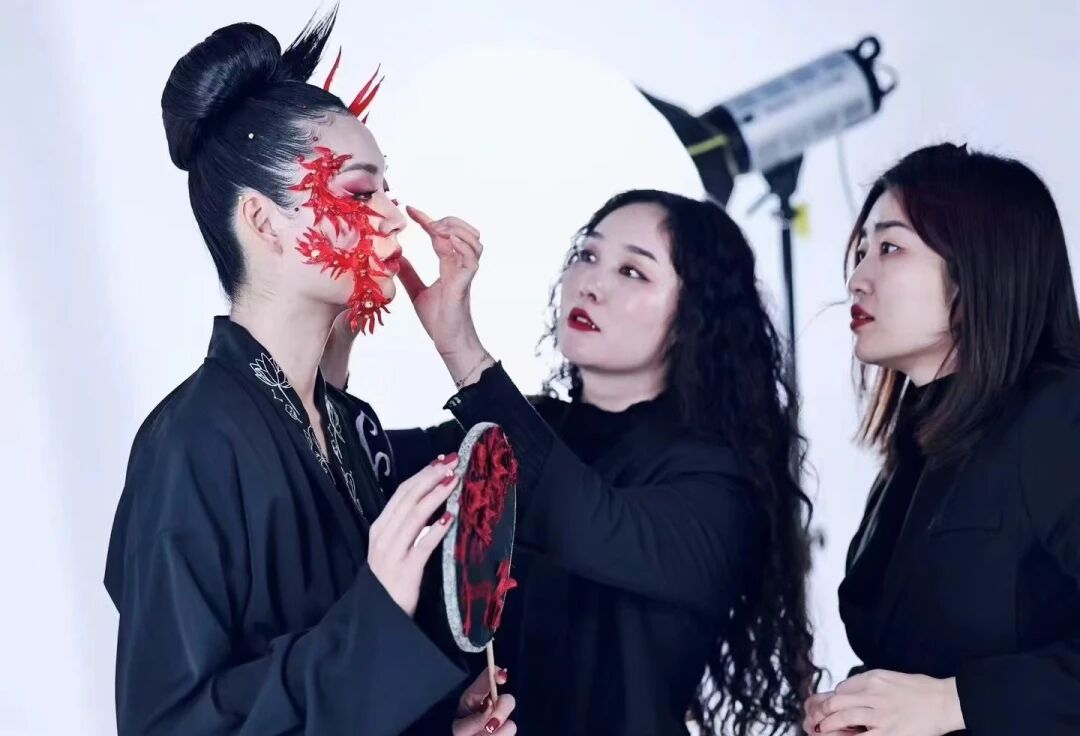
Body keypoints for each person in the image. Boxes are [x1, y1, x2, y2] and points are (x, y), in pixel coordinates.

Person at [104, 12, 515, 735]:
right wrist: (378, 614)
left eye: (388, 189)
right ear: (264, 223)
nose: (393, 217)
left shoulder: (349, 428)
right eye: (359, 194)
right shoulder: (193, 442)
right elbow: (169, 723)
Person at [325, 189, 821, 734]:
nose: (591, 283)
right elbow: (358, 470)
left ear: (694, 317)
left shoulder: (721, 483)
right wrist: (334, 334)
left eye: (632, 271)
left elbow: (589, 522)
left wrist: (459, 345)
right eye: (587, 254)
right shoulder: (531, 425)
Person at [803, 143, 1080, 735]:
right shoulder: (919, 441)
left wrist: (953, 703)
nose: (856, 279)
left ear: (979, 267)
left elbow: (952, 689)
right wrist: (860, 707)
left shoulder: (1060, 416)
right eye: (861, 251)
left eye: (890, 248)